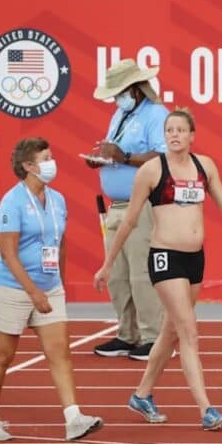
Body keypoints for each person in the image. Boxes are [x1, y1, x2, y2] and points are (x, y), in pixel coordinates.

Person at [94, 108, 222, 431]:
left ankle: (142, 395)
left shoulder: (205, 166)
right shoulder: (151, 170)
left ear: (192, 135)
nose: (174, 135)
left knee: (171, 331)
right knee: (189, 332)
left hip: (194, 260)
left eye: (180, 130)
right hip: (164, 257)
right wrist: (108, 264)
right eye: (169, 130)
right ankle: (207, 410)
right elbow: (130, 220)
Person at [0, 138, 102, 442]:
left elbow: (61, 242)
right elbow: (8, 252)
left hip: (49, 287)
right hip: (12, 287)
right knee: (3, 355)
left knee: (60, 352)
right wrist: (33, 292)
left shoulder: (57, 199)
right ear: (28, 166)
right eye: (45, 158)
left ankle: (73, 418)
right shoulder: (12, 202)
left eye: (51, 156)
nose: (51, 162)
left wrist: (58, 281)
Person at [88, 59, 169, 361]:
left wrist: (123, 156)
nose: (115, 98)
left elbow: (162, 156)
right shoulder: (120, 114)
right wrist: (103, 159)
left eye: (119, 91)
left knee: (141, 273)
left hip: (143, 204)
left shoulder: (156, 114)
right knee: (118, 274)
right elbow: (118, 153)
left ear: (135, 88)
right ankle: (127, 333)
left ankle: (153, 337)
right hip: (117, 205)